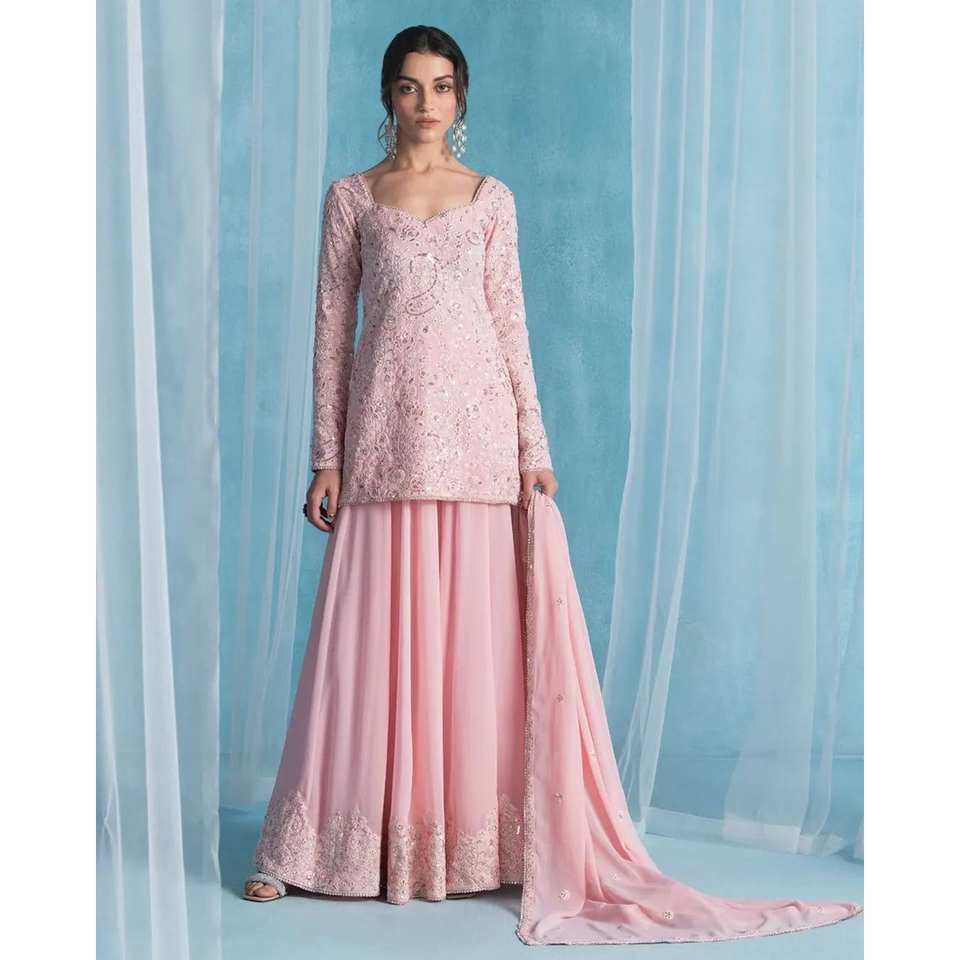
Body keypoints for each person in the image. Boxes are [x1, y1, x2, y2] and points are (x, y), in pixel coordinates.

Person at [244, 25, 863, 947]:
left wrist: (533, 446)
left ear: (461, 98)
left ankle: (469, 846)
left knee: (471, 648)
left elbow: (511, 326)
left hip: (481, 443)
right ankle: (322, 849)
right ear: (386, 96)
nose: (425, 103)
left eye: (441, 87)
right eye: (410, 87)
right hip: (383, 440)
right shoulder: (352, 199)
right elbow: (333, 331)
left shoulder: (491, 200)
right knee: (366, 647)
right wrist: (325, 456)